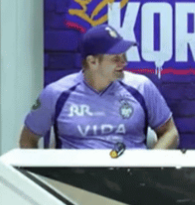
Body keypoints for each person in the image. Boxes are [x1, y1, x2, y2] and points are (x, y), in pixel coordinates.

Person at [19, 24, 179, 149]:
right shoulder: (55, 93)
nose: (123, 62)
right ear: (93, 62)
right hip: (73, 178)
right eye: (115, 59)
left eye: (124, 56)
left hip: (131, 177)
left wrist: (148, 166)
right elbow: (27, 139)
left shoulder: (142, 87)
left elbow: (170, 132)